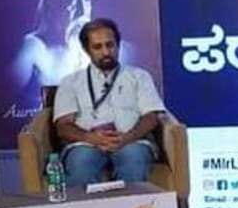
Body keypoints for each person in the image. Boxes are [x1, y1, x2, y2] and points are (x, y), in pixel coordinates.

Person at [53, 19, 166, 187]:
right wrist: (91, 138)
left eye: (110, 45)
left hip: (131, 141)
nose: (106, 52)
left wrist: (128, 137)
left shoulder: (139, 77)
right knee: (81, 165)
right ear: (86, 50)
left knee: (133, 161)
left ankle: (131, 206)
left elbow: (151, 116)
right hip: (86, 143)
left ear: (118, 45)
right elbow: (63, 126)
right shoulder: (70, 82)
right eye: (97, 47)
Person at [10, 0, 94, 99]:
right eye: (71, 1)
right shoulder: (33, 48)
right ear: (51, 4)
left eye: (87, 0)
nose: (82, 11)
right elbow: (8, 97)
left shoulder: (105, 48)